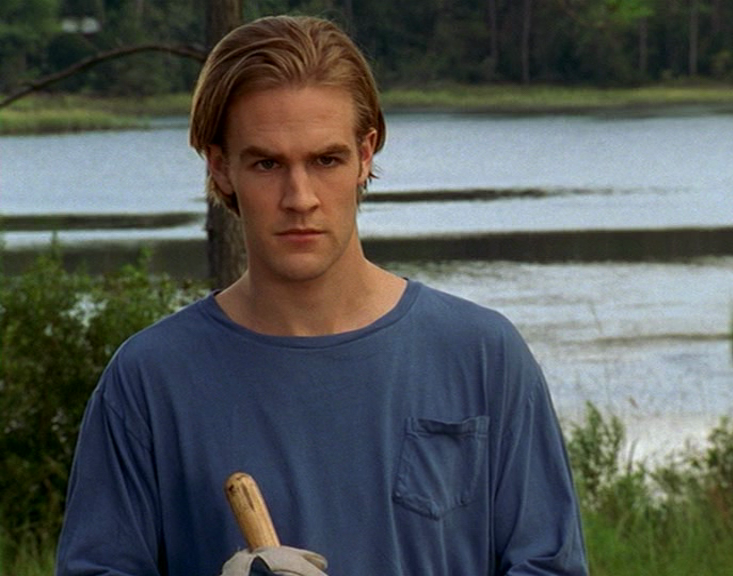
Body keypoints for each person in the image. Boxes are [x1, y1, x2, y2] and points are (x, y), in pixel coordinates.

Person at [55, 14, 588, 576]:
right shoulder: (149, 380)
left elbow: (548, 566)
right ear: (221, 167)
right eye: (267, 163)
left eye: (325, 160)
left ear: (365, 154)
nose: (300, 197)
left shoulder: (481, 355)